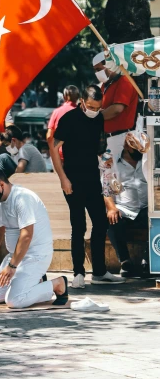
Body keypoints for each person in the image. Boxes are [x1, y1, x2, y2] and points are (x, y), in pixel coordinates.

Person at [50, 85, 123, 288]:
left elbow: (100, 147)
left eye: (98, 108)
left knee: (100, 223)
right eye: (90, 106)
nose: (94, 110)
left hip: (93, 177)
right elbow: (53, 147)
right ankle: (78, 272)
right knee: (78, 226)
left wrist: (108, 166)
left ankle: (99, 271)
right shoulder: (69, 118)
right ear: (82, 101)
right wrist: (63, 178)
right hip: (72, 179)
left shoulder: (98, 118)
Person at [0, 166, 68, 308]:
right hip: (14, 256)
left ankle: (57, 284)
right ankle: (36, 283)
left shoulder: (22, 198)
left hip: (36, 255)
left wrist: (12, 266)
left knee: (14, 301)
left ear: (1, 185)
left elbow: (26, 235)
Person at [103, 133, 149, 278]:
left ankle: (148, 260)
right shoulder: (112, 163)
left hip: (146, 207)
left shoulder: (148, 161)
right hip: (124, 207)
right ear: (127, 147)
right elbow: (106, 189)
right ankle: (125, 261)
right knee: (111, 220)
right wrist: (111, 207)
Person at [93, 51, 139, 158]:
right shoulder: (106, 85)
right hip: (108, 138)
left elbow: (117, 109)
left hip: (120, 138)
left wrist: (96, 118)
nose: (97, 73)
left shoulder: (124, 81)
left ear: (109, 65)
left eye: (99, 69)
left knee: (116, 173)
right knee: (107, 173)